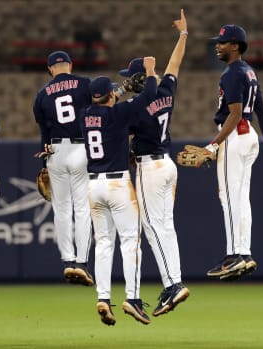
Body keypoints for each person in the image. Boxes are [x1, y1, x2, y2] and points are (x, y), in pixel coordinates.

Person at [117, 9, 189, 317]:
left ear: (136, 80)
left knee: (151, 227)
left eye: (128, 79)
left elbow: (119, 124)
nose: (126, 84)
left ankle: (172, 285)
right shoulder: (165, 92)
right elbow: (174, 65)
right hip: (168, 165)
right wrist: (183, 34)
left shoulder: (134, 105)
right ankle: (176, 281)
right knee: (167, 227)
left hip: (150, 169)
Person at [80, 57, 158, 326]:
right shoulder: (119, 113)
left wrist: (120, 90)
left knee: (103, 243)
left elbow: (107, 99)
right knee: (130, 242)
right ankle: (133, 299)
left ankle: (103, 297)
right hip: (117, 184)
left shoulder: (85, 115)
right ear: (110, 95)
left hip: (93, 186)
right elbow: (149, 94)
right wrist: (149, 71)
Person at [205, 24, 263, 281]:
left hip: (234, 136)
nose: (218, 45)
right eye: (218, 41)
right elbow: (260, 108)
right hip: (248, 135)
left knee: (228, 197)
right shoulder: (249, 71)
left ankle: (233, 256)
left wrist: (213, 144)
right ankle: (244, 253)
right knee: (241, 199)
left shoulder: (231, 73)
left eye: (223, 42)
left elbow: (235, 113)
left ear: (236, 46)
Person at [33, 50, 94, 286]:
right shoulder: (85, 84)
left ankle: (68, 261)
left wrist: (44, 164)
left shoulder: (42, 95)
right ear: (70, 65)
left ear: (50, 69)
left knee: (61, 210)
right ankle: (82, 262)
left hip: (56, 151)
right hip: (81, 148)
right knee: (82, 209)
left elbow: (44, 133)